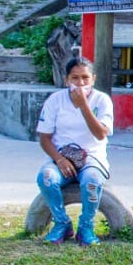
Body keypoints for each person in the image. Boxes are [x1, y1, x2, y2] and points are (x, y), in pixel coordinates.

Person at [35, 55, 114, 246]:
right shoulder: (55, 100)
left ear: (93, 79)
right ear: (67, 80)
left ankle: (86, 227)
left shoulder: (102, 100)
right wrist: (59, 159)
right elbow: (44, 138)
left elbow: (101, 134)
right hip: (62, 157)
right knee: (46, 178)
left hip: (92, 158)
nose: (80, 83)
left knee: (92, 181)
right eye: (75, 78)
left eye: (85, 78)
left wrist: (84, 106)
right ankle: (61, 223)